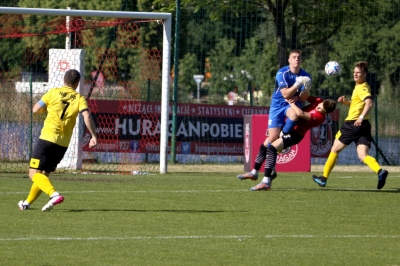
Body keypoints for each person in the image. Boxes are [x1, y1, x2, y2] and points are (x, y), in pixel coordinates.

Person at [18, 69, 97, 211]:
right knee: (43, 175)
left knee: (33, 173)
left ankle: (53, 194)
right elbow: (87, 117)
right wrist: (93, 135)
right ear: (77, 83)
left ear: (64, 80)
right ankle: (27, 203)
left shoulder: (53, 92)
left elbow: (35, 109)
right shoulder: (79, 98)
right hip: (62, 145)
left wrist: (45, 109)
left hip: (47, 139)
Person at [312, 61, 388, 189]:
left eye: (358, 72)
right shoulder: (361, 87)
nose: (355, 74)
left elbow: (369, 103)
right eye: (354, 72)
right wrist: (346, 102)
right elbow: (358, 104)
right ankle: (380, 172)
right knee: (362, 156)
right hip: (364, 126)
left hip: (352, 125)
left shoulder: (362, 87)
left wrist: (360, 117)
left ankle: (323, 178)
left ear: (365, 74)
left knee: (334, 149)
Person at [238, 96, 336, 191]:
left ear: (325, 112)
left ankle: (266, 181)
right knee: (264, 146)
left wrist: (290, 103)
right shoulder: (319, 101)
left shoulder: (319, 117)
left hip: (295, 134)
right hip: (288, 127)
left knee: (272, 148)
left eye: (320, 108)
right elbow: (304, 97)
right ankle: (254, 172)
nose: (317, 107)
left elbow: (300, 113)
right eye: (319, 104)